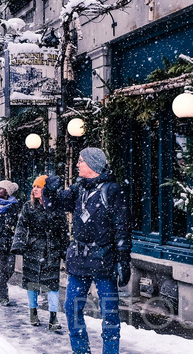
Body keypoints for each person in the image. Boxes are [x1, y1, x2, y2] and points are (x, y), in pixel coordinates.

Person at [42, 147, 131, 354]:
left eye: (81, 161)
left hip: (104, 259)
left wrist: (123, 260)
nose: (77, 164)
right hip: (79, 261)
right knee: (72, 309)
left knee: (109, 314)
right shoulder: (78, 189)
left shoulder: (113, 191)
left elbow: (122, 228)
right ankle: (81, 351)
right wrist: (49, 190)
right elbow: (53, 205)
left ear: (93, 165)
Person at [11, 175, 70, 331]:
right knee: (32, 284)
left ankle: (53, 318)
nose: (35, 189)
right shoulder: (28, 206)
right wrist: (19, 244)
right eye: (34, 187)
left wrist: (66, 251)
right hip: (33, 249)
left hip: (52, 250)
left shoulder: (56, 207)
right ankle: (33, 312)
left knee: (52, 285)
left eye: (38, 186)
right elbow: (21, 226)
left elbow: (63, 230)